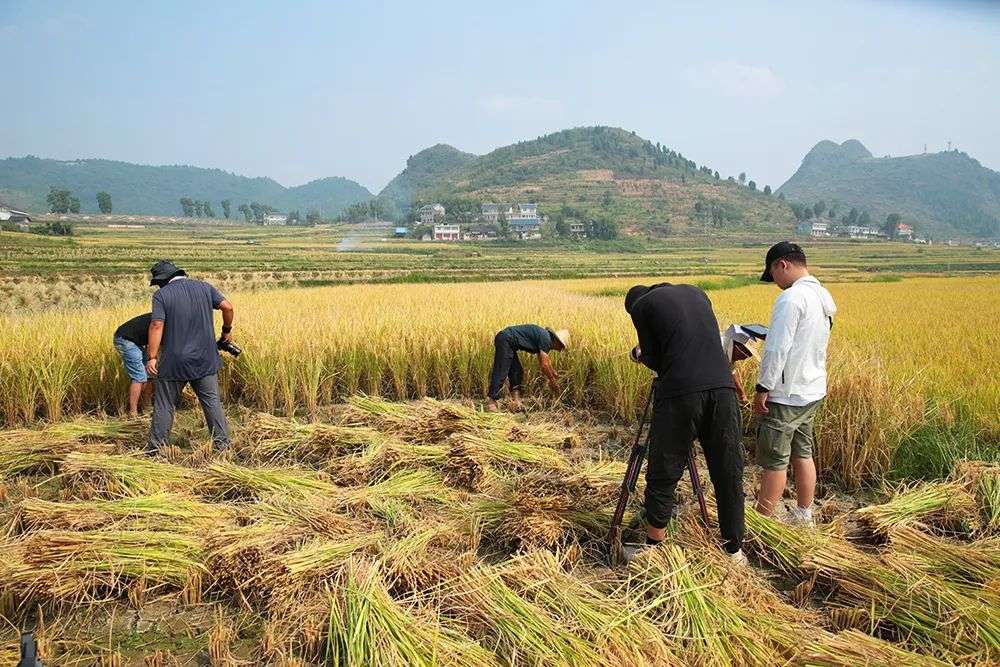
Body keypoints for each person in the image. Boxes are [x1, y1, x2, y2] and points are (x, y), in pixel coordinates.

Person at [625, 283, 746, 563]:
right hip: (723, 389)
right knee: (728, 470)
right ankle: (733, 550)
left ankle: (654, 547)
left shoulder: (641, 306)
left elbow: (655, 359)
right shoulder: (697, 293)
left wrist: (640, 355)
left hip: (681, 393)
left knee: (664, 468)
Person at [752, 242, 837, 527]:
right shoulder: (821, 295)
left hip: (787, 395)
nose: (775, 282)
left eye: (773, 274)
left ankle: (762, 524)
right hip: (811, 390)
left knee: (775, 461)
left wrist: (763, 387)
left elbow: (777, 349)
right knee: (803, 452)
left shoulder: (790, 299)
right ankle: (803, 515)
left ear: (782, 265)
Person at [144, 260, 235, 454]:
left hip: (174, 361)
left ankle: (156, 449)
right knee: (212, 403)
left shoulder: (162, 295)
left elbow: (157, 325)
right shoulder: (205, 287)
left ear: (162, 280)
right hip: (205, 359)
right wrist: (226, 331)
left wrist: (152, 356)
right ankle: (223, 447)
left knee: (165, 405)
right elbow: (228, 307)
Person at [485, 324, 570, 412]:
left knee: (517, 371)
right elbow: (544, 365)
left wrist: (553, 373)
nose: (560, 350)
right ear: (557, 341)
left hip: (509, 343)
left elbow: (544, 362)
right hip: (505, 339)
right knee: (501, 370)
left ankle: (516, 402)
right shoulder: (547, 340)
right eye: (561, 347)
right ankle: (491, 402)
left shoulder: (545, 339)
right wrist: (552, 380)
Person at [113, 312, 154, 418]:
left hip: (137, 342)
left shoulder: (170, 320)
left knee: (149, 374)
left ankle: (147, 408)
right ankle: (133, 413)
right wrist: (152, 358)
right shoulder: (162, 320)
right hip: (125, 339)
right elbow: (155, 341)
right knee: (139, 377)